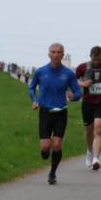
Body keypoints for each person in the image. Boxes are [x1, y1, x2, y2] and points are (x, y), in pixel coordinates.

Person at [28, 43, 82, 184]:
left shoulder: (68, 74)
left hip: (61, 113)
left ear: (63, 55)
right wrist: (34, 100)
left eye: (59, 52)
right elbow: (31, 88)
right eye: (53, 52)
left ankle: (52, 173)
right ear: (49, 54)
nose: (56, 54)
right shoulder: (40, 72)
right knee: (45, 148)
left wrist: (73, 96)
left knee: (57, 144)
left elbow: (78, 92)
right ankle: (46, 153)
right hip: (45, 112)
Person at [74, 46, 101, 171]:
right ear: (90, 57)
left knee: (98, 129)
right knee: (88, 131)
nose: (96, 62)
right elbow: (73, 79)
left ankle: (96, 158)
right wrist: (82, 83)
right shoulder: (83, 67)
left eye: (98, 59)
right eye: (94, 59)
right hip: (87, 103)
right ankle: (89, 151)